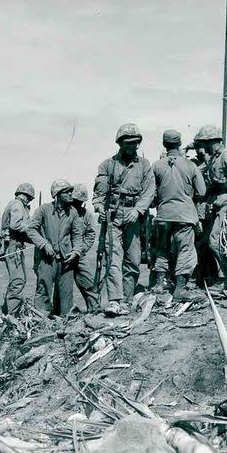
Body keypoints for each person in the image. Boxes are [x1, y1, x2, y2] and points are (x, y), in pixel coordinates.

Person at [93, 123, 156, 316]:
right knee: (113, 258)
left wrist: (137, 210)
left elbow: (149, 192)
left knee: (133, 259)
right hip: (113, 216)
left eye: (136, 143)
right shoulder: (107, 165)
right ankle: (115, 300)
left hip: (134, 216)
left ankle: (127, 299)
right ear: (120, 143)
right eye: (129, 143)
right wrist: (98, 207)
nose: (133, 147)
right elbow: (99, 194)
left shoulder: (144, 165)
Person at [151, 130, 206, 301]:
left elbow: (151, 196)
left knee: (162, 249)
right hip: (184, 215)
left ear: (164, 144)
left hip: (163, 215)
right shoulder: (190, 166)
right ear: (180, 143)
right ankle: (180, 289)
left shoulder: (156, 166)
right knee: (185, 251)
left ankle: (160, 284)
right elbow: (202, 191)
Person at [193, 124, 227, 293]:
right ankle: (217, 278)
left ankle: (225, 280)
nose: (202, 147)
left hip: (226, 206)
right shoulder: (214, 159)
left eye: (204, 143)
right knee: (205, 243)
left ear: (211, 142)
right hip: (215, 206)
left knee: (216, 242)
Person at [26, 179, 84, 317]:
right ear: (57, 194)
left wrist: (76, 251)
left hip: (66, 259)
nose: (71, 194)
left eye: (71, 191)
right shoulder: (43, 210)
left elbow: (77, 235)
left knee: (66, 293)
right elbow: (31, 230)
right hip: (46, 258)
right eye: (67, 192)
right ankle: (41, 320)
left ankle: (64, 321)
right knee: (44, 289)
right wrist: (44, 244)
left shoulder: (73, 212)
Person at [0, 183, 35, 315]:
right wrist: (33, 229)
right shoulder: (18, 205)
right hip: (13, 248)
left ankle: (8, 311)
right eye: (30, 198)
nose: (29, 201)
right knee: (17, 281)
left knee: (18, 280)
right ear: (27, 196)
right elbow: (16, 225)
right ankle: (11, 315)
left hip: (14, 246)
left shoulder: (14, 204)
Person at [70, 184, 100, 312]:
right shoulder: (65, 213)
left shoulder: (86, 215)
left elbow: (91, 234)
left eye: (80, 202)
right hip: (63, 253)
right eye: (76, 201)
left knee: (87, 281)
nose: (78, 204)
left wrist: (82, 249)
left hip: (80, 255)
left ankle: (94, 309)